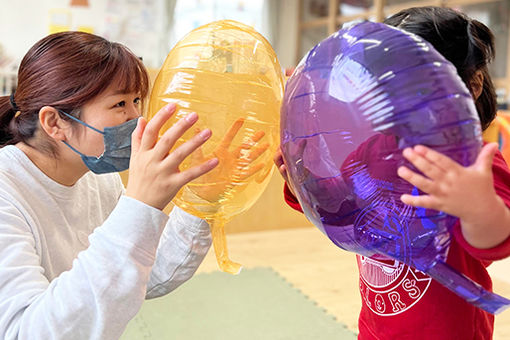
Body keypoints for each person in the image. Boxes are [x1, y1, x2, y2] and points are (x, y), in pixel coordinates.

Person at [275, 7, 510, 339]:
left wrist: (478, 208)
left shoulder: (476, 164)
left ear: (472, 86)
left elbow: (498, 242)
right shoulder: (375, 149)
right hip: (373, 330)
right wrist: (303, 180)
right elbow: (344, 204)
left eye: (414, 89)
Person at [0, 31, 221, 339]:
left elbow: (143, 273)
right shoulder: (6, 194)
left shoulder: (97, 180)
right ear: (54, 123)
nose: (137, 119)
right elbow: (26, 332)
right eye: (119, 103)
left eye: (136, 101)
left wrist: (202, 199)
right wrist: (140, 206)